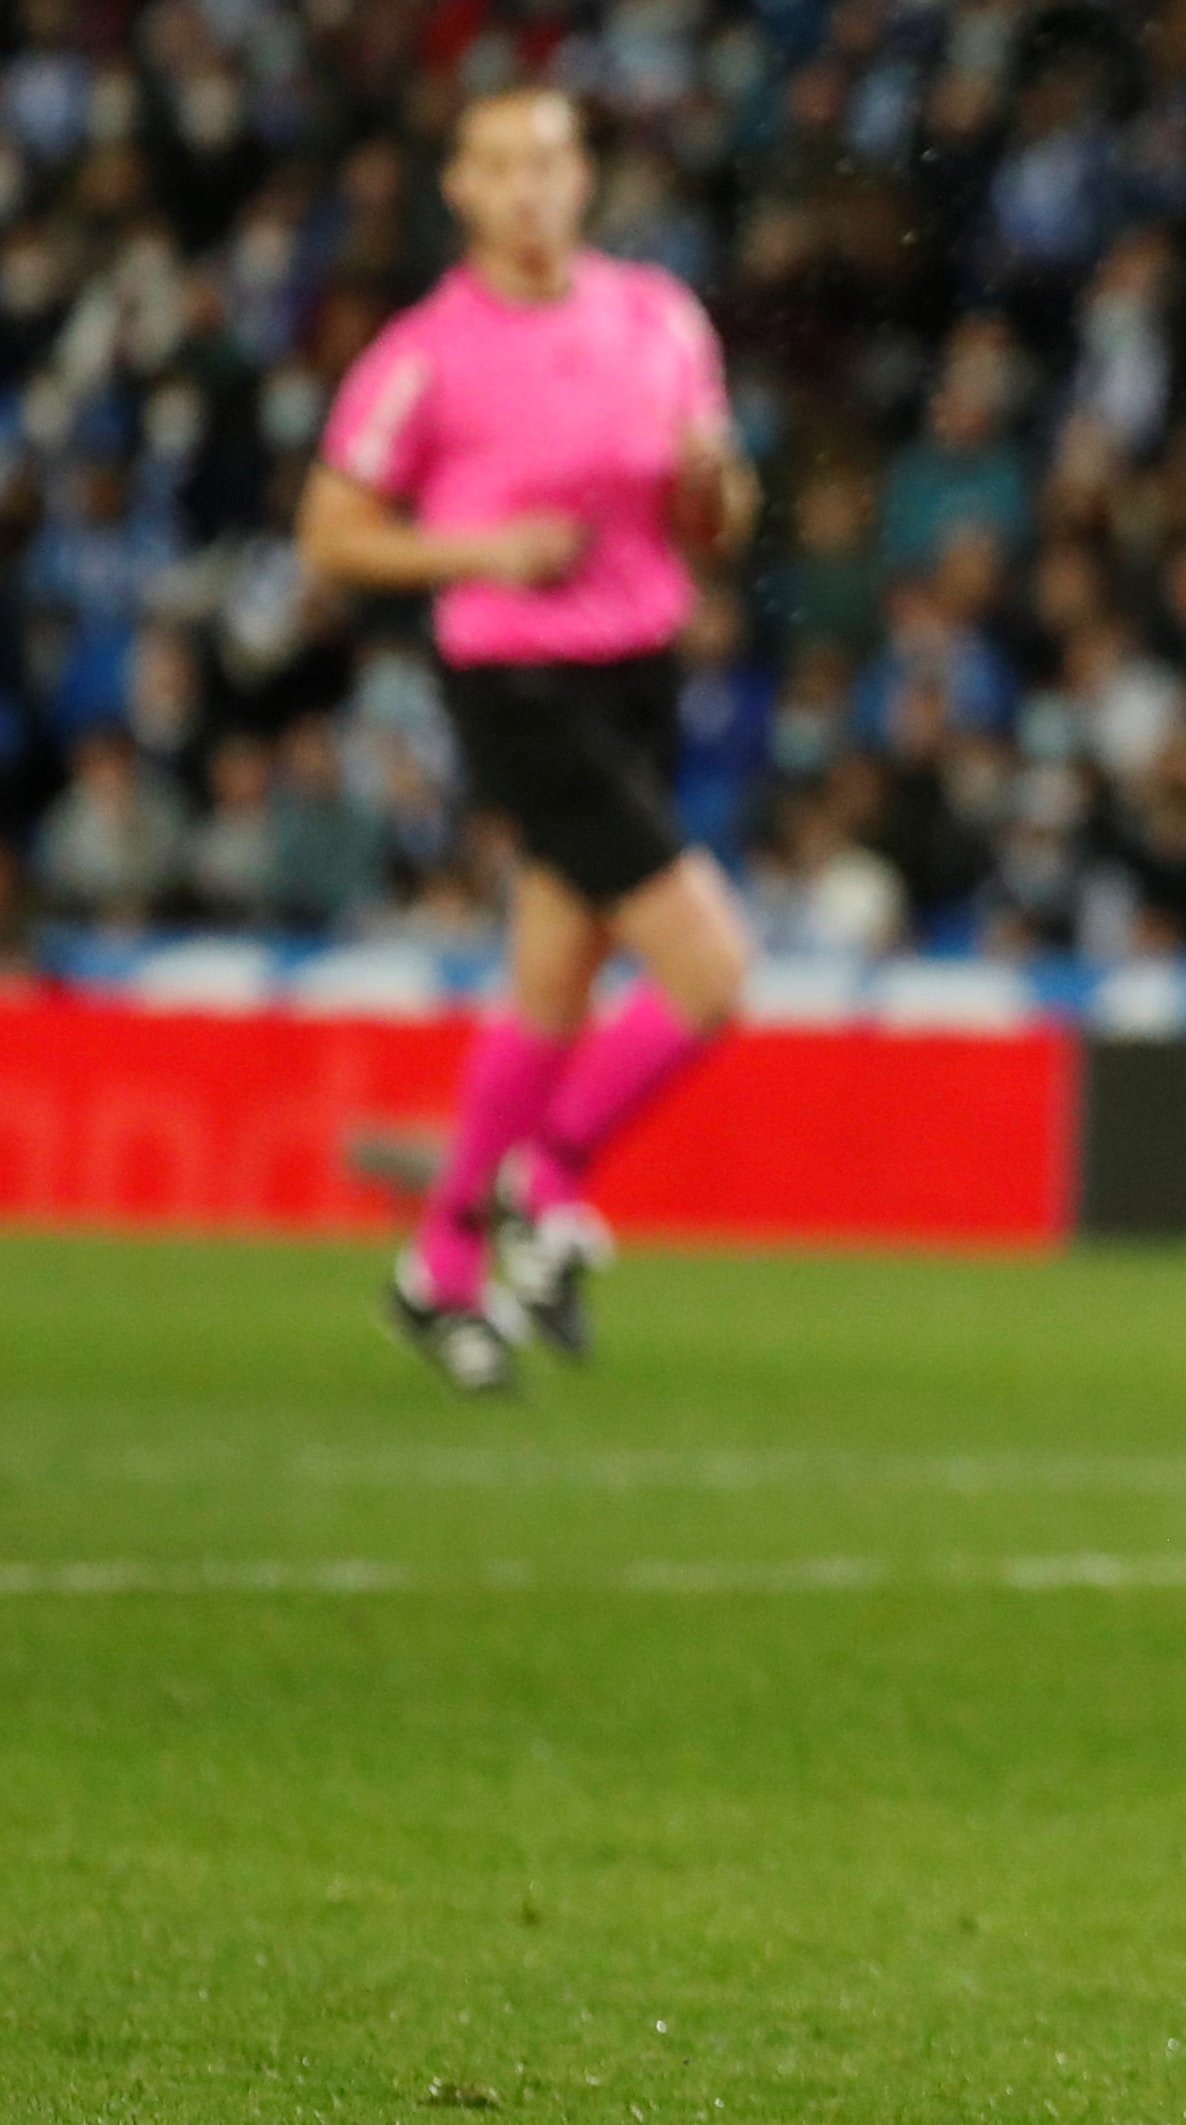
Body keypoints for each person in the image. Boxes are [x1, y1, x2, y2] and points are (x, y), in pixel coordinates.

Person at [299, 89, 756, 1397]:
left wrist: (718, 484)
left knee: (552, 978)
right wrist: (481, 548)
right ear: (460, 188)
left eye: (549, 162)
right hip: (516, 681)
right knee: (711, 974)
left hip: (641, 667)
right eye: (500, 166)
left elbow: (712, 516)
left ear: (583, 176)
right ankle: (535, 1177)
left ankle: (438, 1264)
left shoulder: (660, 319)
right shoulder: (423, 353)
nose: (529, 189)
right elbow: (332, 532)